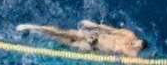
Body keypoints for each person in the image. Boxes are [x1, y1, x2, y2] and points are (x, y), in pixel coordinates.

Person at [16, 22, 146, 57]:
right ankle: (35, 27)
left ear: (138, 48)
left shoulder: (132, 53)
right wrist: (94, 25)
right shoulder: (129, 34)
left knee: (64, 41)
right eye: (135, 41)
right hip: (93, 36)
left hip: (92, 48)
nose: (132, 43)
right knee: (65, 33)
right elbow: (111, 30)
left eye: (135, 45)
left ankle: (41, 33)